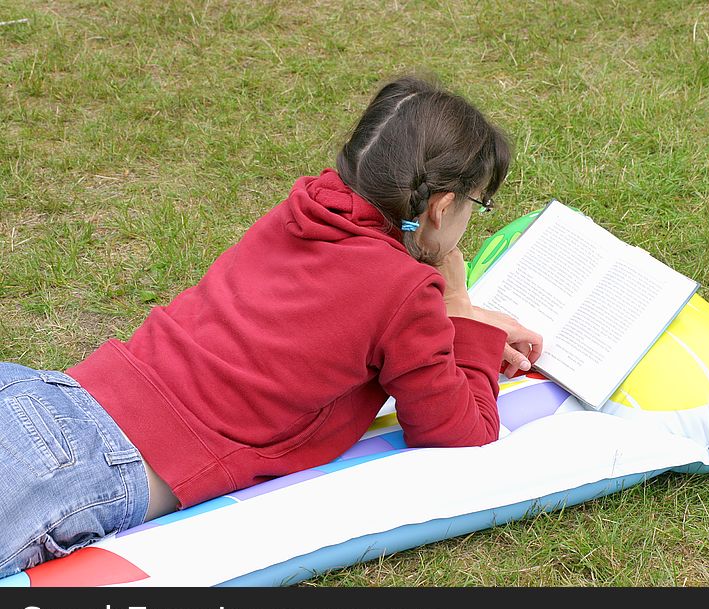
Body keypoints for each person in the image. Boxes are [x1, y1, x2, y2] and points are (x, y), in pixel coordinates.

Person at [0, 73, 542, 578]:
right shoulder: (407, 293)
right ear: (442, 208)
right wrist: (455, 303)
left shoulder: (305, 209)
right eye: (479, 204)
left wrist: (454, 325)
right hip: (83, 466)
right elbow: (461, 433)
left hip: (42, 395)